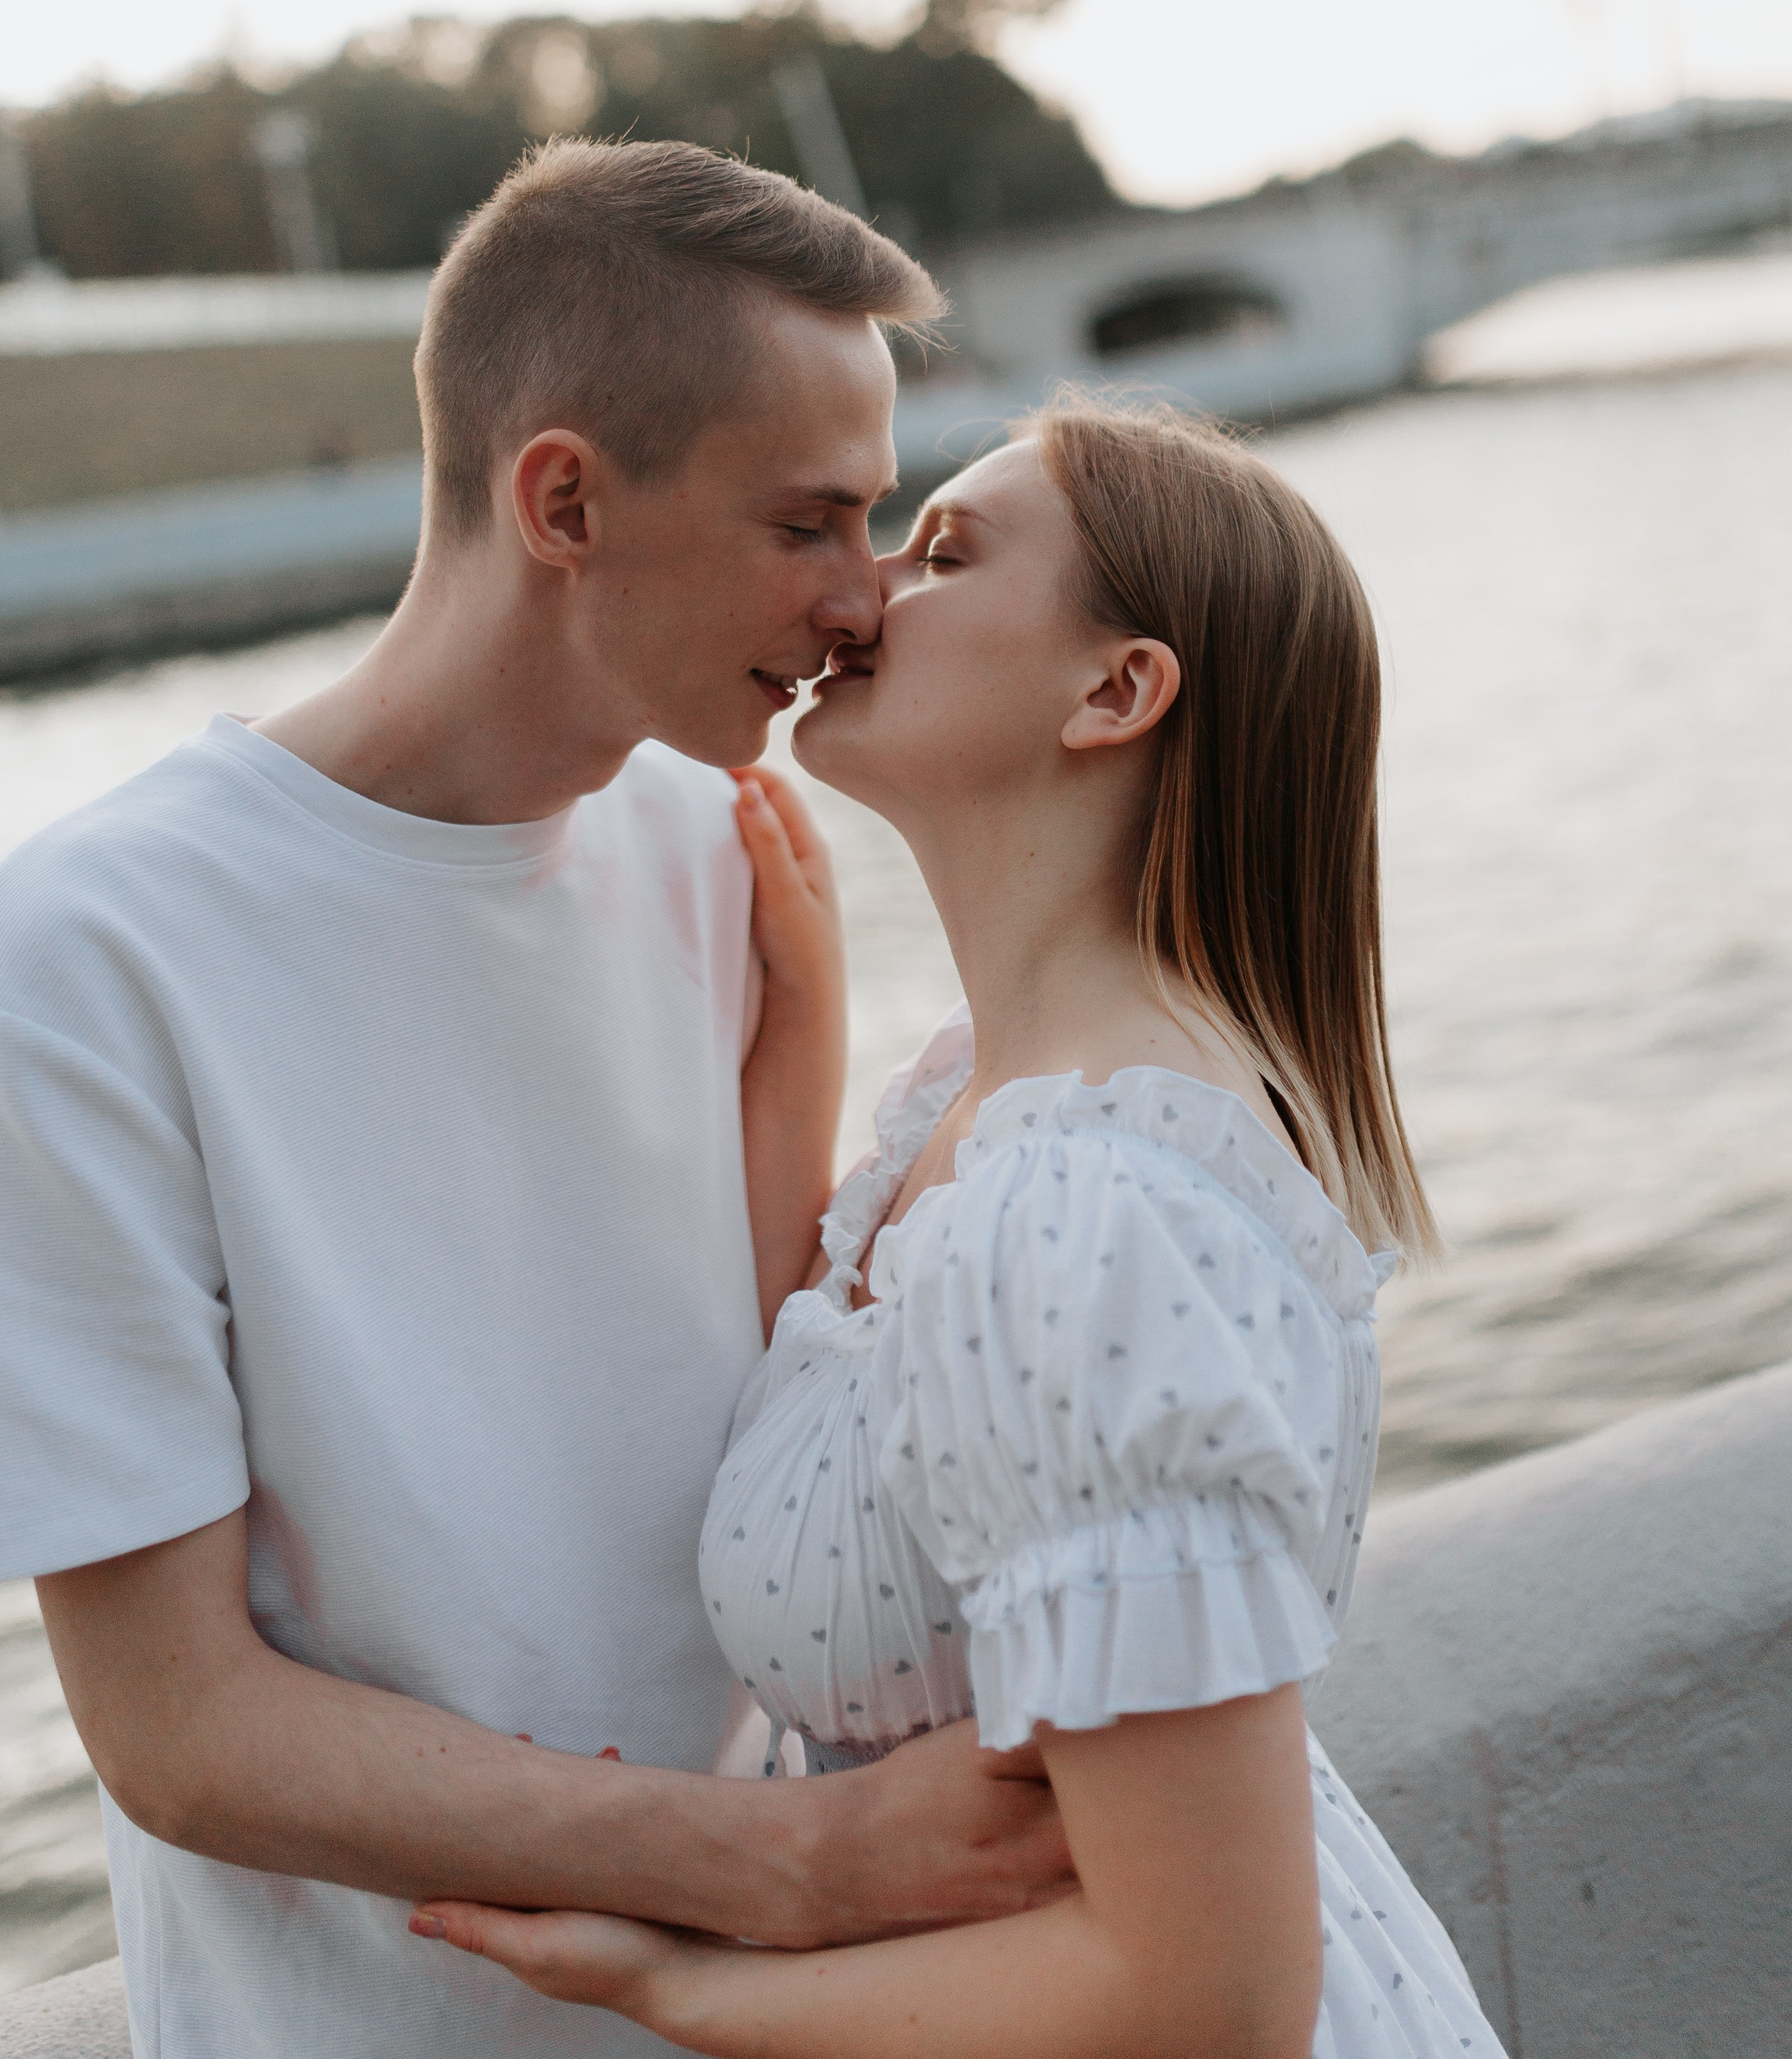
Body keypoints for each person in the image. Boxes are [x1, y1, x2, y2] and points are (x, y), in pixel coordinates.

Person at [0, 140, 1072, 2059]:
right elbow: (180, 1728)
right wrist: (792, 1861)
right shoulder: (80, 960)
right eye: (809, 522)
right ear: (562, 498)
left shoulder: (719, 841)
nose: (864, 601)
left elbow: (742, 1437)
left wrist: (802, 1066)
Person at [410, 399, 1509, 2058]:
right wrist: (799, 1028)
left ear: (1113, 691)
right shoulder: (992, 1116)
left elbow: (1207, 2001)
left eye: (941, 553)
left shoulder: (1089, 1214)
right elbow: (859, 1433)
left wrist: (673, 1982)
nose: (859, 595)